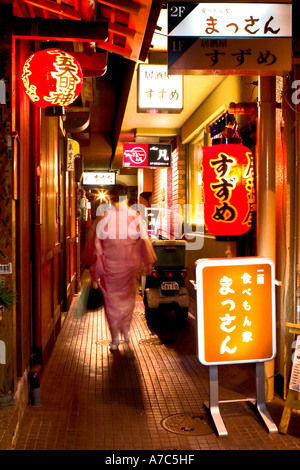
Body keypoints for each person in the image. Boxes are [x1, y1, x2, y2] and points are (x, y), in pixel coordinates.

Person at [82, 185, 156, 351]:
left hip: (110, 267)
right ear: (127, 198)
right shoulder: (133, 216)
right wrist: (147, 261)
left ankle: (115, 337)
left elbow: (94, 242)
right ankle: (125, 331)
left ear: (111, 199)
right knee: (128, 300)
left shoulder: (104, 217)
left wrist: (93, 261)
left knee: (111, 301)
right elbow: (143, 240)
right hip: (129, 266)